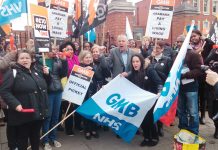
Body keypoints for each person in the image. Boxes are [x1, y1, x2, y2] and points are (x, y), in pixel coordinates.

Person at [0, 50, 50, 150]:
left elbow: (45, 87)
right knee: (22, 140)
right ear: (17, 60)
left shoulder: (37, 71)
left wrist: (47, 75)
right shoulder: (12, 72)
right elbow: (4, 91)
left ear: (31, 60)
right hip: (23, 114)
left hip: (38, 112)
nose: (25, 60)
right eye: (22, 58)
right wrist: (15, 104)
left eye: (27, 58)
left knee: (36, 138)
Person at [126, 53, 162, 147]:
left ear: (141, 62)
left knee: (150, 119)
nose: (135, 63)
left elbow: (159, 83)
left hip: (151, 99)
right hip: (140, 101)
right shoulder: (132, 73)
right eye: (133, 62)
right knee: (142, 120)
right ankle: (146, 137)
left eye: (137, 61)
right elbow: (123, 82)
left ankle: (154, 137)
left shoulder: (149, 70)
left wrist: (159, 92)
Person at [42, 45, 68, 150]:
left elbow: (63, 74)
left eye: (56, 49)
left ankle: (53, 138)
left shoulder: (58, 60)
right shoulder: (42, 60)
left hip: (58, 91)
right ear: (46, 50)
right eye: (52, 49)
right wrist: (46, 73)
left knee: (56, 116)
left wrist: (64, 61)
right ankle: (45, 140)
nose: (55, 51)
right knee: (48, 117)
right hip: (48, 92)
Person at [146, 40, 172, 137]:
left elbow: (169, 74)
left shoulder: (167, 60)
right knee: (151, 108)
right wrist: (150, 59)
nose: (155, 49)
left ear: (162, 49)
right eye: (154, 47)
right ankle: (152, 126)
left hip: (161, 87)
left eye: (158, 48)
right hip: (150, 87)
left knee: (159, 107)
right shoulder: (149, 59)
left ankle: (160, 126)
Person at [190, 30, 214, 124]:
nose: (193, 38)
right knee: (195, 96)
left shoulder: (206, 45)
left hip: (204, 75)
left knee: (203, 96)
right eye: (191, 37)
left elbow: (213, 44)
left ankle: (203, 115)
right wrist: (196, 52)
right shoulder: (189, 47)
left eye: (195, 36)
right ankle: (195, 115)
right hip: (194, 74)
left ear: (200, 36)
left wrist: (206, 38)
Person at [60, 41, 80, 136]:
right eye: (67, 49)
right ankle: (68, 129)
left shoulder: (76, 58)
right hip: (66, 86)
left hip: (76, 86)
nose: (70, 51)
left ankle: (77, 125)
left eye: (71, 49)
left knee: (76, 107)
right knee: (68, 109)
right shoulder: (63, 59)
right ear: (64, 50)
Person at [79, 51, 99, 140]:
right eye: (86, 58)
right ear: (82, 59)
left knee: (93, 112)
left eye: (90, 57)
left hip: (94, 93)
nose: (88, 59)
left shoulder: (94, 67)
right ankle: (87, 130)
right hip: (84, 95)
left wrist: (93, 70)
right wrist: (84, 72)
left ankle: (93, 129)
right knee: (86, 113)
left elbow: (99, 77)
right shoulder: (79, 68)